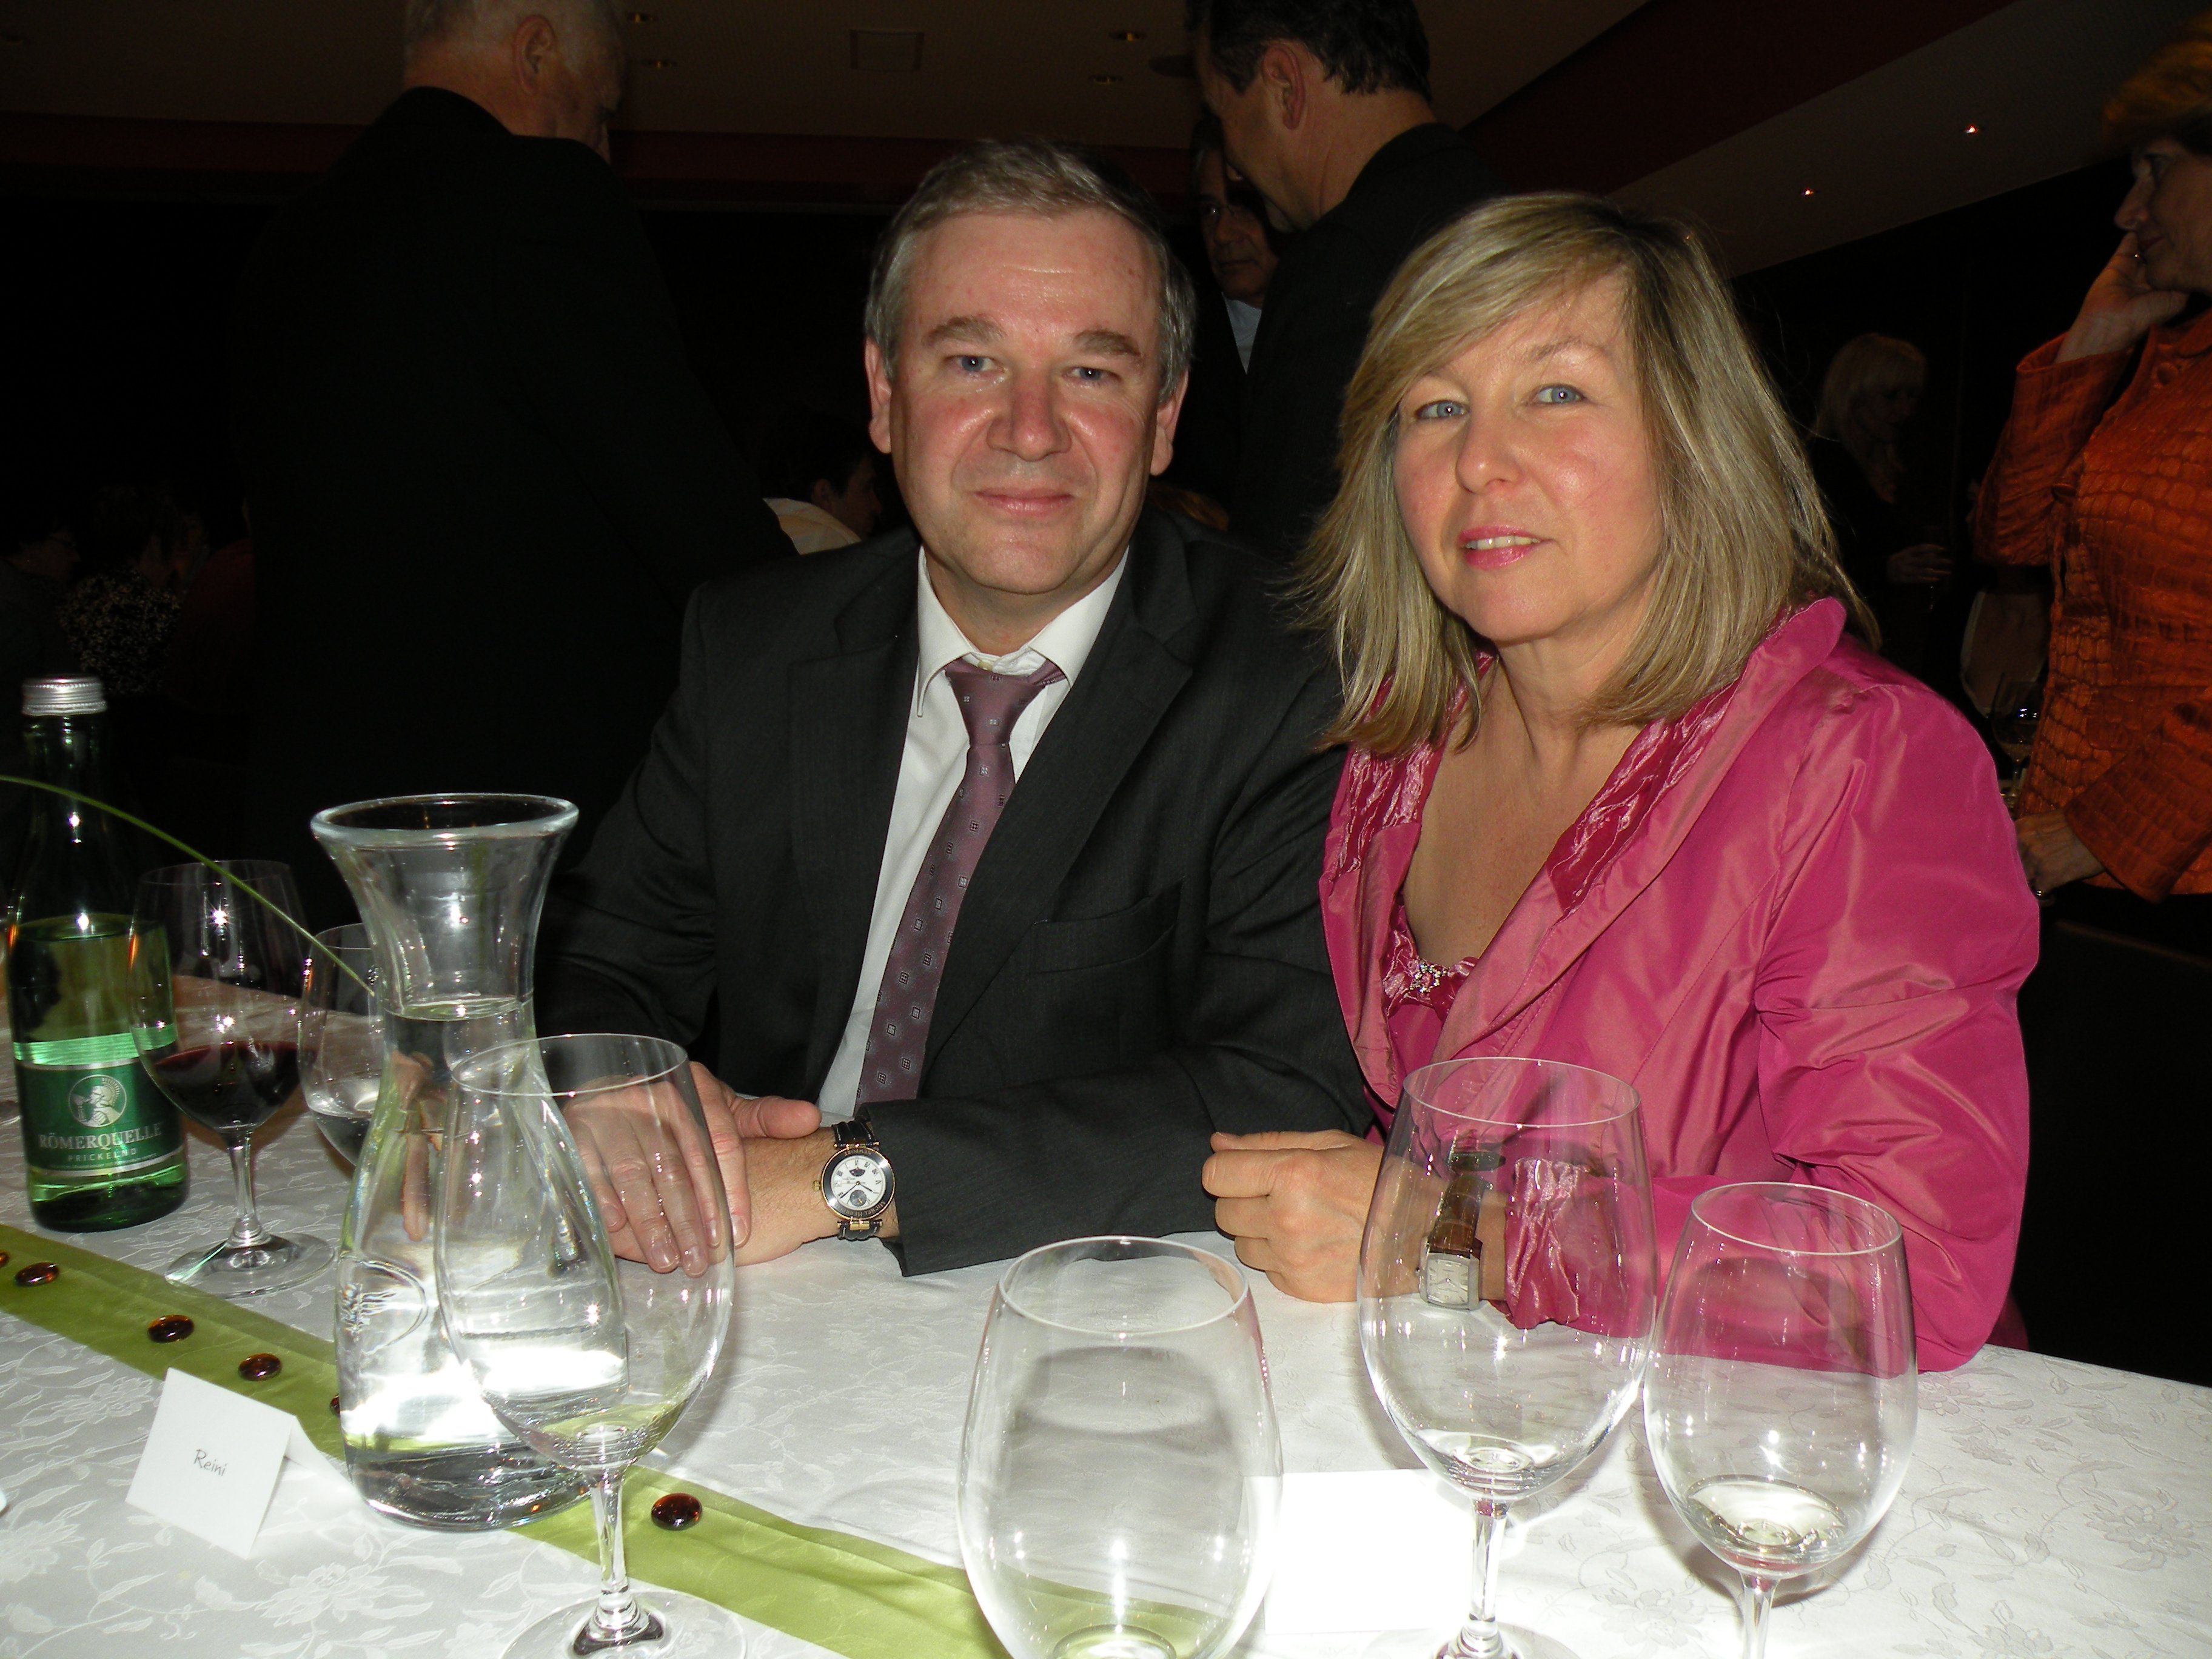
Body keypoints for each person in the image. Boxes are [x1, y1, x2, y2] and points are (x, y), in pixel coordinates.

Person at [1202, 195, 2037, 1372]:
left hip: (1755, 1441)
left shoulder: (1864, 762)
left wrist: (1458, 1233)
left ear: (1693, 440)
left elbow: (1914, 1268)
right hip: (1480, 1401)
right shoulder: (1393, 748)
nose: (1477, 461)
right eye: (1435, 407)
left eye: (1556, 392)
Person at [538, 139, 1367, 1276]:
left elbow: (1276, 1092)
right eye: (973, 362)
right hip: (753, 1275)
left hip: (1077, 1299)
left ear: (1165, 417)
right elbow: (597, 959)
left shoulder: (1295, 678)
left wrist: (840, 1176)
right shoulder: (754, 646)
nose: (1029, 429)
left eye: (1092, 372)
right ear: (886, 397)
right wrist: (613, 1086)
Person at [230, 0, 793, 926]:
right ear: (536, 50)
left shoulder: (285, 243)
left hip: (319, 837)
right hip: (515, 847)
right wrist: (835, 625)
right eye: (601, 112)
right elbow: (694, 521)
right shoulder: (540, 196)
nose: (603, 148)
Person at [1976, 12, 2212, 948]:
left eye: (2157, 168)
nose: (2128, 212)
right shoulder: (2176, 365)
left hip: (2176, 879)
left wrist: (2091, 834)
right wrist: (2093, 342)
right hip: (2094, 865)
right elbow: (2013, 537)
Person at [1188, 0, 1498, 560]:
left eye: (1223, 114)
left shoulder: (1340, 265)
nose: (1232, 166)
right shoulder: (1512, 218)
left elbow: (1281, 568)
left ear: (1284, 84)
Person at [1808, 333, 1953, 677]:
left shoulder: (1902, 465)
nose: (1905, 410)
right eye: (1891, 396)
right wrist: (1882, 570)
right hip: (1844, 642)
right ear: (1854, 395)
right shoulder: (1821, 465)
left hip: (1901, 633)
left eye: (1912, 397)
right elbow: (1808, 564)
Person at [1164, 113, 1278, 510]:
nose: (1224, 234)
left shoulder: (1346, 330)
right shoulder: (1179, 342)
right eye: (1211, 211)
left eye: (1243, 207)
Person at [763, 409, 885, 553]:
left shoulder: (755, 535)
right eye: (866, 489)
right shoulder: (838, 545)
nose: (877, 507)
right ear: (825, 495)